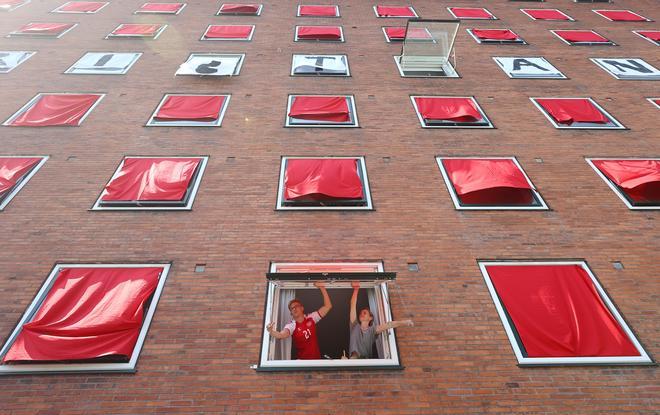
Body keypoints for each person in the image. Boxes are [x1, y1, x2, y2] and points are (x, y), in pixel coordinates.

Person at [266, 281, 332, 360]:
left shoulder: (311, 318)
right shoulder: (291, 325)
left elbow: (328, 306)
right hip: (302, 364)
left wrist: (322, 287)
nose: (294, 309)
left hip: (316, 361)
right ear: (291, 313)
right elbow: (281, 335)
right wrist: (271, 331)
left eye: (296, 306)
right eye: (292, 308)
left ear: (302, 308)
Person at [348, 281, 413, 359]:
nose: (361, 314)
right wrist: (356, 289)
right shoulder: (354, 325)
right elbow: (352, 304)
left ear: (370, 318)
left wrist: (404, 322)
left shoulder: (372, 330)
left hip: (365, 362)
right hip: (353, 360)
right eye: (361, 313)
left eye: (364, 313)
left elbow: (389, 325)